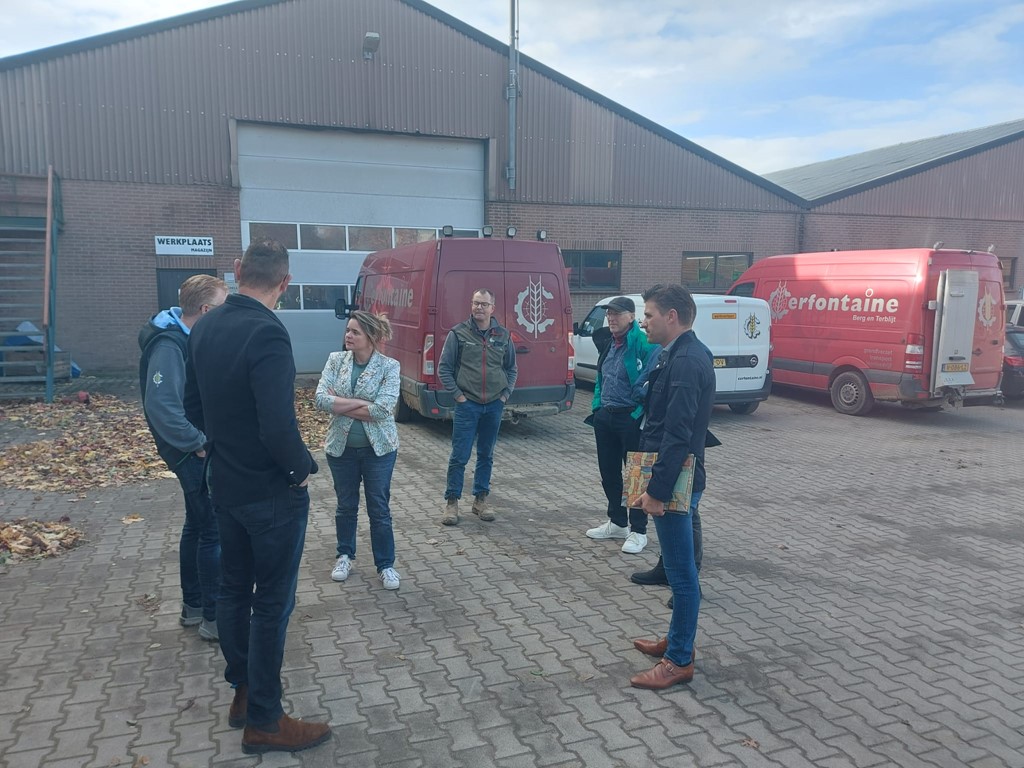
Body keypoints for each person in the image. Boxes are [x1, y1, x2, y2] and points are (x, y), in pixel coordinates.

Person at [184, 239, 331, 754]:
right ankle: (265, 720)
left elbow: (193, 406)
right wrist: (301, 471)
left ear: (237, 269)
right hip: (270, 493)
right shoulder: (268, 332)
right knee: (270, 604)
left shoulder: (204, 327)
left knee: (232, 590)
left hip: (225, 485)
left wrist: (225, 446)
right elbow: (277, 425)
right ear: (285, 283)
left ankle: (244, 694)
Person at [629, 284, 716, 691]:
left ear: (672, 316)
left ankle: (679, 660)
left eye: (648, 315)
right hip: (672, 477)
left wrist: (657, 492)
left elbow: (678, 434)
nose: (643, 322)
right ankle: (678, 640)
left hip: (675, 482)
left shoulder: (686, 361)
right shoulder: (679, 354)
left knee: (681, 576)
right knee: (680, 572)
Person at [138, 274, 227, 642]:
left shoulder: (182, 336)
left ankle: (193, 607)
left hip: (189, 449)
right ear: (205, 310)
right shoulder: (169, 345)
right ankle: (214, 618)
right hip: (189, 453)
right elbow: (161, 406)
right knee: (213, 531)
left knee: (197, 525)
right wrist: (197, 442)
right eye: (222, 307)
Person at [315, 311, 402, 591]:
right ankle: (345, 556)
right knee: (345, 506)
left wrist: (341, 402)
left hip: (379, 451)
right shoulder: (335, 360)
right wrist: (362, 404)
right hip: (341, 450)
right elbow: (320, 400)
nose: (348, 336)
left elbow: (383, 410)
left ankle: (385, 565)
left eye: (355, 332)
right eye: (348, 330)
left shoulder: (389, 366)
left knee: (379, 508)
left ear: (372, 337)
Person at [583, 296, 661, 554]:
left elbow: (651, 381)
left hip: (631, 417)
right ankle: (617, 522)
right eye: (609, 314)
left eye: (616, 313)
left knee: (636, 475)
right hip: (606, 416)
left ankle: (638, 530)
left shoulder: (643, 343)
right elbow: (601, 378)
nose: (611, 318)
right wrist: (597, 406)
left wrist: (638, 413)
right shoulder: (609, 343)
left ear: (631, 316)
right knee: (609, 473)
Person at [438, 288, 518, 526]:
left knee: (486, 454)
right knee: (459, 455)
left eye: (483, 304)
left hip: (494, 405)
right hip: (468, 405)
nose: (479, 308)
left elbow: (511, 368)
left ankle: (480, 500)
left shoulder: (503, 335)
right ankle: (452, 502)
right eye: (475, 303)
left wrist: (504, 395)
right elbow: (444, 368)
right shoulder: (458, 334)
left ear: (493, 308)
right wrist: (459, 396)